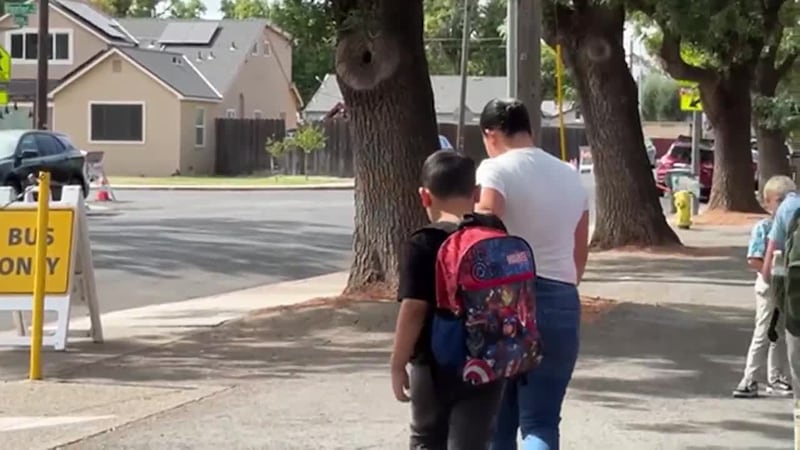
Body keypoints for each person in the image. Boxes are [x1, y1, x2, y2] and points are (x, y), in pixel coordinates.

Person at [474, 98, 589, 450]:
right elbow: (579, 255)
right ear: (529, 129)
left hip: (508, 302)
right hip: (562, 300)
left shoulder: (495, 170)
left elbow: (483, 235)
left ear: (490, 134)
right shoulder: (570, 177)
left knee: (497, 420)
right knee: (540, 421)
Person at [390, 150, 506, 449]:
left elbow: (414, 309)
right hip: (489, 359)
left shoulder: (423, 242)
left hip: (434, 364)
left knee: (427, 438)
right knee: (473, 442)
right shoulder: (494, 229)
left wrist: (397, 363)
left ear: (424, 197)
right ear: (477, 192)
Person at [732, 177, 792, 398]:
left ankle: (777, 378)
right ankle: (749, 379)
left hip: (788, 285)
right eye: (780, 200)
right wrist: (770, 273)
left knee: (780, 333)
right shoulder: (765, 227)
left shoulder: (792, 227)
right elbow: (754, 259)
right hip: (769, 286)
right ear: (768, 202)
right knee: (763, 332)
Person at [762, 175, 800, 436]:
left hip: (796, 295)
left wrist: (768, 281)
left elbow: (773, 258)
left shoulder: (787, 208)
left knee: (796, 354)